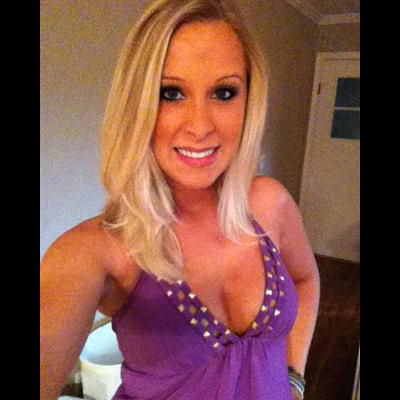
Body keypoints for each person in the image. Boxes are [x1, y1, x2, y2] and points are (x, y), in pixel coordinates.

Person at [40, 0, 320, 399]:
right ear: (136, 105)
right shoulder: (101, 251)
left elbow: (306, 280)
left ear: (249, 102)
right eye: (171, 93)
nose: (200, 126)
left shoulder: (269, 203)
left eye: (224, 92)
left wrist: (293, 379)